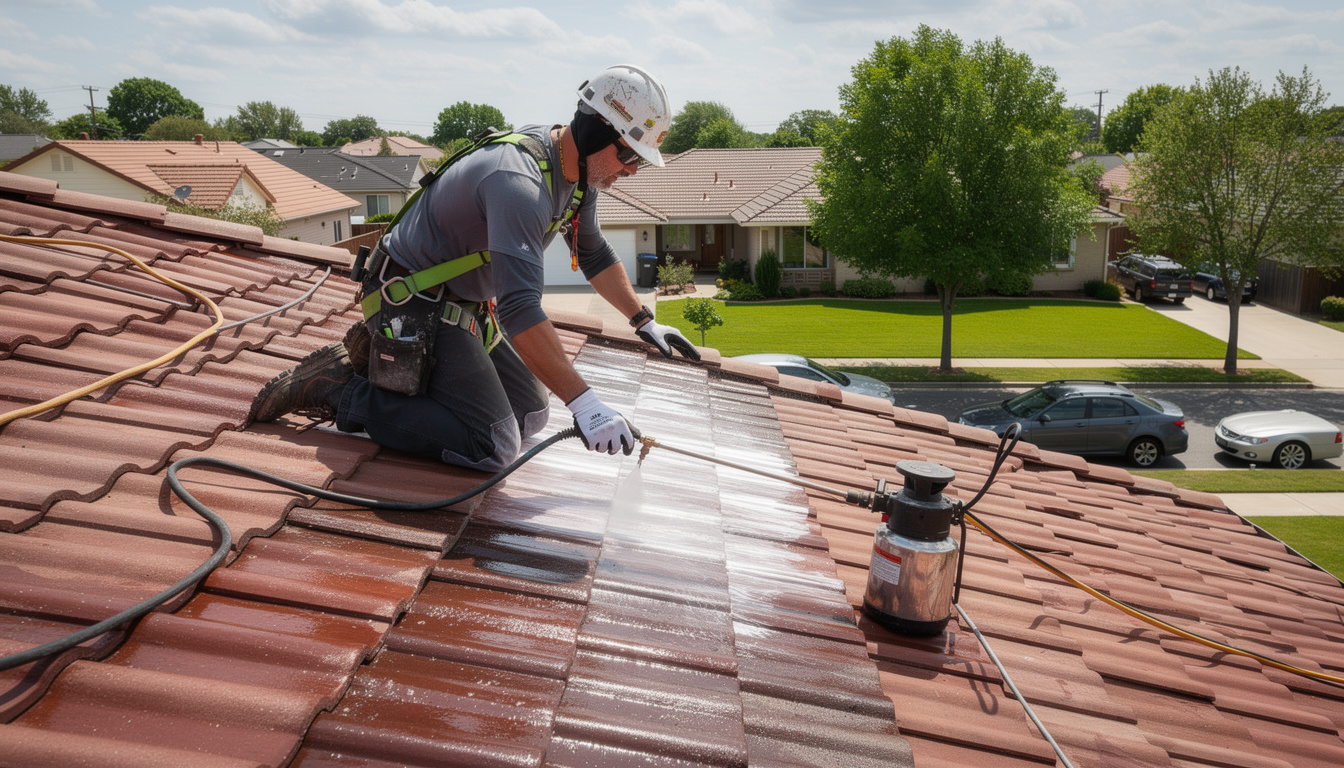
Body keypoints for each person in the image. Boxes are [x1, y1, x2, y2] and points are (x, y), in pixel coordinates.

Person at [250, 64, 700, 471]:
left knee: (532, 415)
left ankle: (403, 373)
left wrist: (643, 321)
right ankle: (340, 389)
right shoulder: (519, 181)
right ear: (596, 131)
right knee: (493, 447)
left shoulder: (577, 177)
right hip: (410, 300)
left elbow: (594, 253)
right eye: (629, 156)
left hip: (460, 305)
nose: (632, 171)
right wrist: (586, 405)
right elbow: (520, 309)